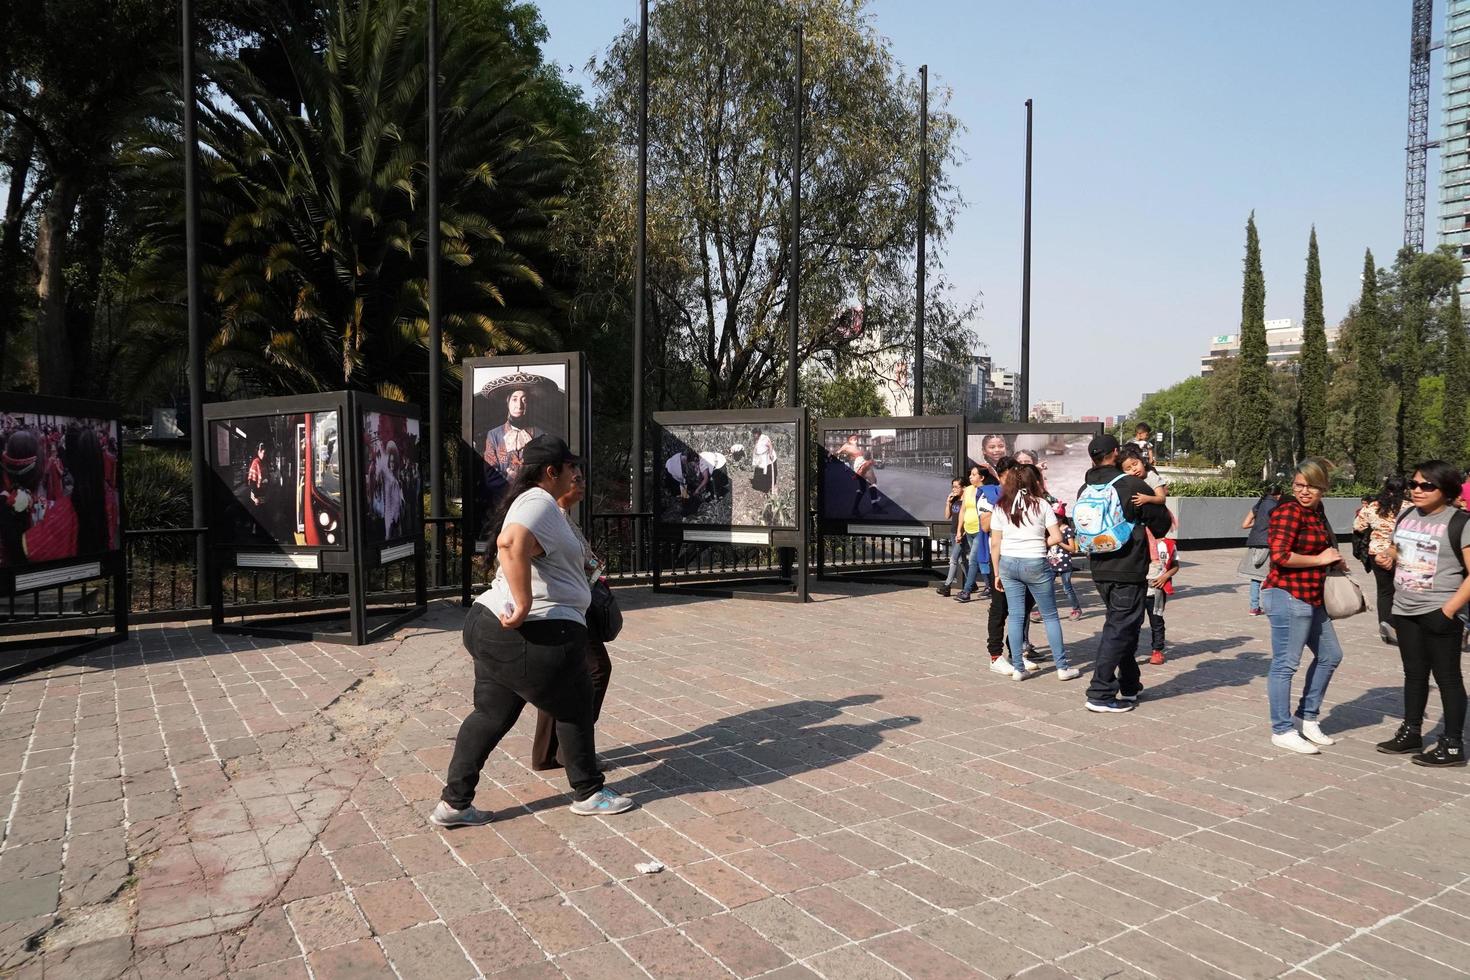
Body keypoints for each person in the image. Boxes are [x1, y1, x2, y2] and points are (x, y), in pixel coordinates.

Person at [434, 435, 634, 827]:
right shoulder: (537, 501)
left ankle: (454, 804)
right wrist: (524, 602)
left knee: (490, 714)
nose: (578, 472)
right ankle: (589, 792)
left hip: (491, 626)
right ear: (550, 471)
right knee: (576, 704)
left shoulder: (543, 505)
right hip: (534, 630)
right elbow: (511, 545)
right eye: (571, 466)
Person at [1373, 460, 1470, 767]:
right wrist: (1388, 556)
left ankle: (1452, 745)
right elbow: (1402, 548)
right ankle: (1411, 731)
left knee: (1448, 678)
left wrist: (1449, 611)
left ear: (1447, 489)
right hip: (1405, 608)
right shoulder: (1407, 515)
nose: (1417, 490)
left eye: (1427, 486)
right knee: (1414, 674)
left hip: (1440, 610)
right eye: (1414, 484)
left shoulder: (1460, 522)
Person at [1078, 435, 1173, 713]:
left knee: (1124, 626)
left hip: (1098, 565)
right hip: (1128, 567)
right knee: (1119, 628)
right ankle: (1100, 692)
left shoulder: (1086, 487)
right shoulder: (1131, 485)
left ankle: (1130, 686)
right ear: (1115, 453)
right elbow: (1162, 525)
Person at [1259, 458, 1346, 755]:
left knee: (1331, 655)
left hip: (1312, 595)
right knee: (1285, 664)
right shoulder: (1288, 511)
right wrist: (1319, 560)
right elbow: (1280, 556)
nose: (1304, 491)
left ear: (1323, 488)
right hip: (1287, 594)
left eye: (1311, 486)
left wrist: (1331, 558)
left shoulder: (1316, 511)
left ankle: (1306, 717)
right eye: (1299, 485)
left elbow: (1318, 546)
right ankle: (1281, 729)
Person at [531, 463, 614, 773]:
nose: (581, 484)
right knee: (596, 670)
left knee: (560, 678)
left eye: (583, 478)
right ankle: (573, 747)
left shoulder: (564, 518)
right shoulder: (549, 517)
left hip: (571, 606)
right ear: (558, 480)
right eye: (575, 479)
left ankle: (546, 752)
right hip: (562, 608)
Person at [989, 464, 1080, 681]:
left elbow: (995, 544)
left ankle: (1018, 668)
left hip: (1008, 564)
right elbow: (1057, 537)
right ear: (1034, 482)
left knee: (1016, 614)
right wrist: (1040, 543)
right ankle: (1062, 667)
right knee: (1049, 616)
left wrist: (996, 573)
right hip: (1035, 562)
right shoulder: (1042, 505)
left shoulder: (1001, 506)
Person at [480, 372, 552, 512]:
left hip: (533, 504)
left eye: (524, 400)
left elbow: (545, 471)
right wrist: (510, 483)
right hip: (503, 504)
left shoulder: (540, 435)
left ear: (529, 404)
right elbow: (491, 475)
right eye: (514, 399)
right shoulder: (494, 435)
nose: (519, 405)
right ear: (507, 402)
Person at [1353, 476, 1409, 644]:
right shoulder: (1410, 507)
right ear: (1405, 489)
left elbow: (1358, 526)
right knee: (1403, 589)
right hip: (1402, 551)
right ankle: (1397, 624)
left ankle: (1385, 627)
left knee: (1384, 591)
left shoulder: (1373, 506)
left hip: (1376, 552)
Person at [1239, 485, 1282, 616]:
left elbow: (1244, 524)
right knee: (1274, 576)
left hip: (1254, 544)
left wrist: (1258, 523)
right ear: (1278, 494)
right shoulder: (1277, 506)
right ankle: (1273, 606)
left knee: (1255, 577)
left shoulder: (1258, 505)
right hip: (1269, 544)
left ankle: (1254, 607)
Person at [955, 465, 993, 602]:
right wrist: (960, 529)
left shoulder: (986, 491)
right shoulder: (968, 490)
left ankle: (966, 591)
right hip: (968, 529)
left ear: (982, 477)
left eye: (974, 474)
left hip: (980, 531)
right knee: (981, 560)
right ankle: (989, 587)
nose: (970, 477)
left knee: (973, 560)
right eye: (970, 474)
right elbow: (963, 510)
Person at [1145, 526, 1178, 665]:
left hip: (1157, 590)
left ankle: (1157, 650)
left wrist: (1165, 577)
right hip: (1137, 589)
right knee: (1133, 622)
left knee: (1156, 621)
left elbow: (1175, 565)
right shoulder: (1139, 541)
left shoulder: (1169, 544)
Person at [835, 434, 882, 515]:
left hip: (861, 463)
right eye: (852, 439)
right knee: (872, 482)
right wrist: (837, 453)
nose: (855, 440)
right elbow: (838, 452)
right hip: (860, 464)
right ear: (849, 440)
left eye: (855, 439)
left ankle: (856, 508)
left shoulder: (857, 448)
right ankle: (874, 506)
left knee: (864, 488)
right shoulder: (847, 445)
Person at [1047, 516, 1083, 620]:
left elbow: (1072, 549)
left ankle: (1076, 609)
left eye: (1055, 517)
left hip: (1065, 563)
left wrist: (1059, 542)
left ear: (1060, 518)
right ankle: (1044, 610)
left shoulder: (1067, 530)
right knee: (1046, 588)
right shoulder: (1050, 530)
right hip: (1051, 563)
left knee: (1067, 588)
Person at [937, 478, 967, 597]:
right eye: (952, 487)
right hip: (953, 532)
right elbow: (947, 516)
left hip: (962, 534)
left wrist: (962, 533)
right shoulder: (955, 500)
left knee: (953, 559)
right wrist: (948, 502)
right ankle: (972, 583)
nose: (954, 489)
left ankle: (947, 585)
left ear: (963, 488)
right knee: (961, 560)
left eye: (956, 487)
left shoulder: (967, 501)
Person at [750, 427, 777, 494]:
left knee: (770, 471)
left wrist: (770, 454)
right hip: (762, 457)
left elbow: (770, 446)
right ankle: (762, 485)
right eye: (753, 434)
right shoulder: (756, 438)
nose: (753, 435)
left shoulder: (764, 438)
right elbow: (756, 447)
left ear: (758, 433)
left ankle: (771, 486)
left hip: (768, 456)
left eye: (754, 434)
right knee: (761, 470)